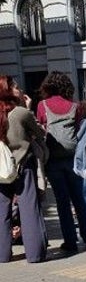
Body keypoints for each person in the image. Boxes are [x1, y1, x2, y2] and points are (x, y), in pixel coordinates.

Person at [36, 72, 86, 253]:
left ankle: (70, 242)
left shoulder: (42, 105)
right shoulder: (75, 106)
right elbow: (78, 129)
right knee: (79, 199)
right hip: (72, 159)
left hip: (53, 161)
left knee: (62, 202)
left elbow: (40, 128)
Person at [0, 75, 48, 263]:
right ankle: (35, 254)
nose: (19, 89)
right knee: (29, 209)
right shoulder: (21, 113)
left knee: (2, 212)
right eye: (15, 87)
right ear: (8, 90)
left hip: (1, 170)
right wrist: (28, 108)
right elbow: (40, 133)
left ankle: (2, 255)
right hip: (22, 165)